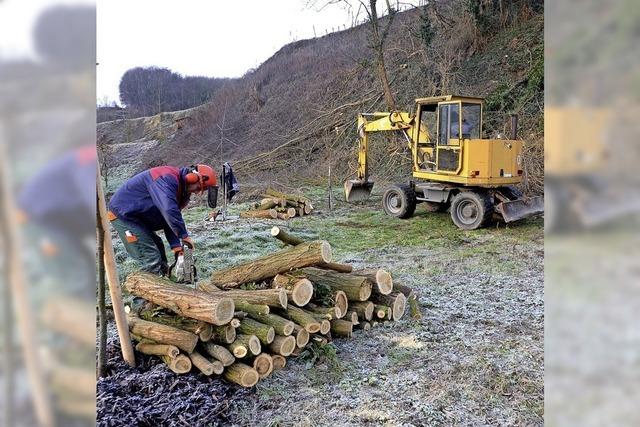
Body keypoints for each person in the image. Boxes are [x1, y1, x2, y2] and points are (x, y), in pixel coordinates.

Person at [107, 164, 217, 276]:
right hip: (123, 215)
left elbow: (169, 219)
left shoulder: (182, 191)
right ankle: (147, 291)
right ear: (192, 177)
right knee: (149, 256)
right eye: (198, 188)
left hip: (138, 218)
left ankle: (164, 280)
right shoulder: (165, 178)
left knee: (158, 246)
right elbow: (169, 210)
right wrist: (184, 236)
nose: (197, 192)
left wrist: (177, 246)